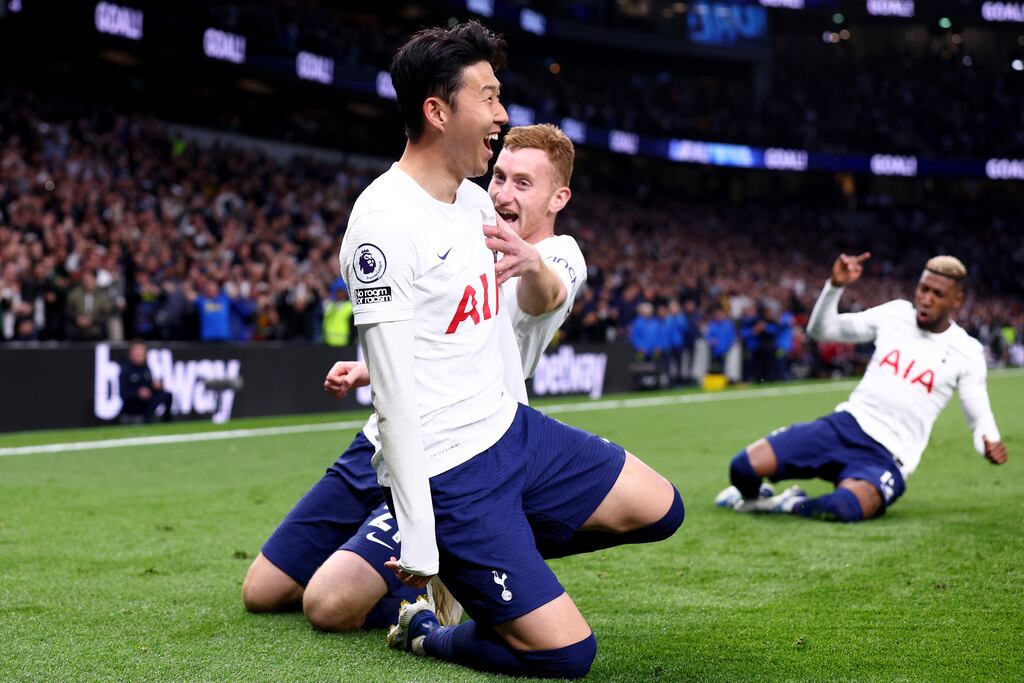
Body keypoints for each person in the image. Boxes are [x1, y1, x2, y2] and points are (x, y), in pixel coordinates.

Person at [339, 22, 681, 679]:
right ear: (437, 111)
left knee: (663, 508)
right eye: (489, 97)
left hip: (513, 431)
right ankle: (425, 631)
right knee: (568, 655)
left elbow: (494, 326)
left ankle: (504, 556)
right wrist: (418, 533)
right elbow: (394, 398)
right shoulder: (383, 223)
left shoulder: (473, 203)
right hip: (454, 471)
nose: (503, 114)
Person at [242, 121, 591, 638]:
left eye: (524, 183)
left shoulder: (559, 254)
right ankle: (429, 572)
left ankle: (430, 597)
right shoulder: (465, 224)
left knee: (329, 604)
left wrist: (531, 263)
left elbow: (547, 295)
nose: (503, 192)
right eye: (500, 176)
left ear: (558, 197)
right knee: (262, 592)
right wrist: (370, 368)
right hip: (384, 438)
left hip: (451, 453)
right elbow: (433, 333)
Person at [716, 253, 1008, 522]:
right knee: (742, 467)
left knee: (843, 508)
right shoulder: (895, 314)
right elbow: (822, 331)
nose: (926, 299)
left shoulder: (966, 351)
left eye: (937, 294)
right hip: (844, 426)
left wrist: (988, 443)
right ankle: (753, 498)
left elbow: (978, 413)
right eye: (923, 289)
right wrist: (834, 287)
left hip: (887, 457)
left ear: (957, 300)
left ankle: (785, 503)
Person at [119, 340, 172, 423]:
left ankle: (167, 422)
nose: (139, 354)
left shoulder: (146, 368)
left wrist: (156, 387)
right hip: (132, 406)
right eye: (136, 351)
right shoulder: (125, 370)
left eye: (141, 351)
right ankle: (145, 420)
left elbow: (149, 387)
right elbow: (123, 393)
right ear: (130, 354)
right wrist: (138, 393)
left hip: (146, 405)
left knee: (167, 395)